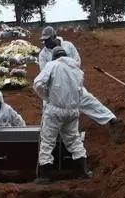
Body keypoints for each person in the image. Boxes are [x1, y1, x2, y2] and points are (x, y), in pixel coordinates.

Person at [38, 26, 125, 144]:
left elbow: (77, 62)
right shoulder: (43, 54)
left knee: (88, 101)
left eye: (47, 40)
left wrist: (65, 69)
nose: (45, 43)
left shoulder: (68, 46)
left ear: (54, 37)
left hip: (72, 83)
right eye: (44, 40)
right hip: (55, 88)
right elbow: (45, 72)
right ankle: (47, 138)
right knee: (48, 110)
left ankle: (113, 122)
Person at [33, 46, 91, 184]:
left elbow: (38, 83)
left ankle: (45, 175)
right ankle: (83, 171)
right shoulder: (77, 69)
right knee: (74, 139)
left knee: (47, 141)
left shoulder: (52, 65)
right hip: (72, 111)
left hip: (55, 110)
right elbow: (80, 91)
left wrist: (47, 97)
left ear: (54, 56)